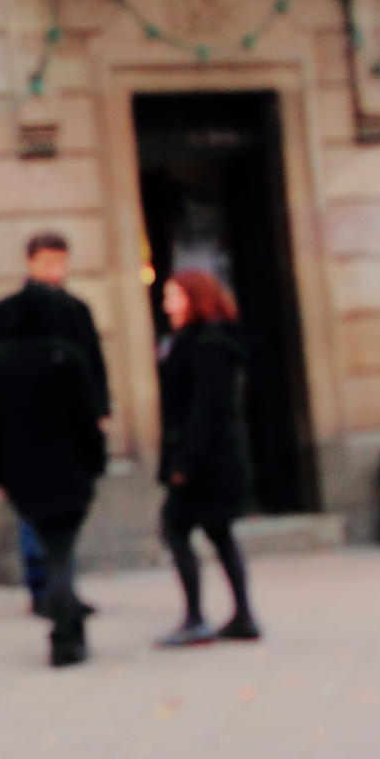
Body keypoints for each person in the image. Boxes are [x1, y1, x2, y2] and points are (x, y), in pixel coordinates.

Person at [0, 234, 108, 666]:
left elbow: (94, 370)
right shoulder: (9, 317)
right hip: (49, 449)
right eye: (48, 261)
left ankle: (61, 602)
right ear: (32, 262)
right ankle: (55, 600)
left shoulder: (74, 316)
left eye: (61, 261)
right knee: (52, 540)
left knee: (53, 538)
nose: (56, 269)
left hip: (37, 451)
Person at [154, 270, 260, 647]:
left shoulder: (208, 344)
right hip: (209, 456)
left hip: (206, 461)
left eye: (173, 295)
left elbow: (206, 409)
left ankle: (197, 617)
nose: (166, 302)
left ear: (192, 298)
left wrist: (184, 463)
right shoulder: (187, 341)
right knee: (219, 531)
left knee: (174, 528)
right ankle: (243, 615)